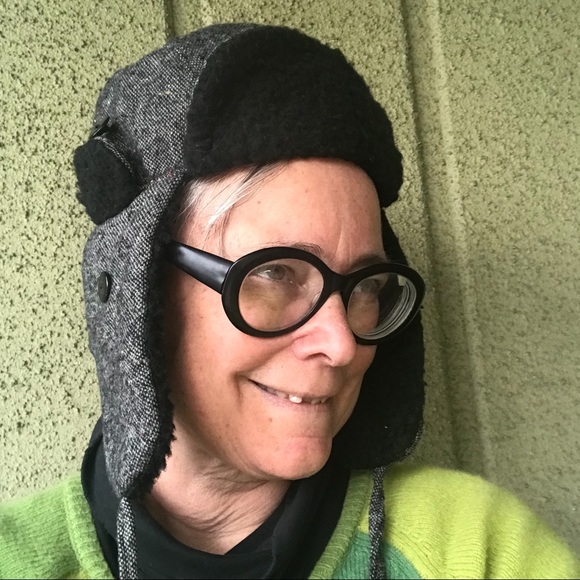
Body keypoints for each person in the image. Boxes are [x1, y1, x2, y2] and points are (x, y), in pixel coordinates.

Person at [0, 23, 578, 580]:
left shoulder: (477, 550)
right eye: (274, 273)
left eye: (365, 285)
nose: (342, 344)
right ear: (140, 287)